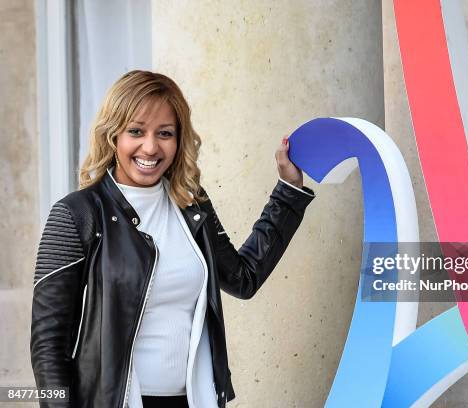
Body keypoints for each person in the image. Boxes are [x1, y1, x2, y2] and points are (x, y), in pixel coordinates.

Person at [30, 70, 315, 408]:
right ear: (113, 135)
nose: (150, 147)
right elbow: (48, 344)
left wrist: (288, 191)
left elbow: (243, 277)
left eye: (164, 133)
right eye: (136, 131)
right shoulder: (77, 214)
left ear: (179, 140)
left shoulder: (191, 204)